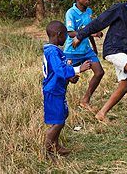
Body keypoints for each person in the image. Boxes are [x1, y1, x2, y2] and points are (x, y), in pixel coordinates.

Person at [42, 21, 91, 160]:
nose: (67, 39)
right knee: (59, 122)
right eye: (65, 36)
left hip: (58, 90)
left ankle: (55, 145)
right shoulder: (52, 51)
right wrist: (78, 69)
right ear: (59, 35)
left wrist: (70, 78)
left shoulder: (55, 50)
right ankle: (47, 150)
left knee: (63, 116)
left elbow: (58, 71)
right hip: (52, 91)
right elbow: (58, 70)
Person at [64, 0, 104, 112]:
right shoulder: (71, 12)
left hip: (87, 50)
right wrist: (92, 34)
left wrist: (94, 47)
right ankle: (60, 102)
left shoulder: (89, 11)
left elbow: (90, 28)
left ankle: (85, 100)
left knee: (99, 72)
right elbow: (71, 33)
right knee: (65, 78)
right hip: (72, 51)